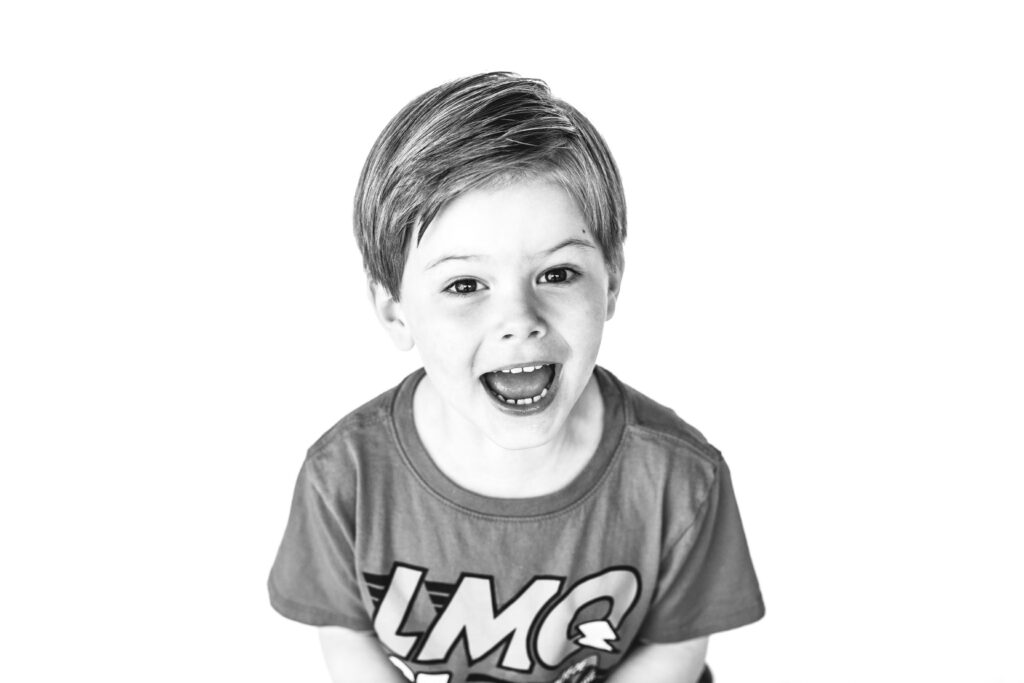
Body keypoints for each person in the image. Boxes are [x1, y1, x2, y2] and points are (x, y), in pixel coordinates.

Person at [268, 72, 764, 683]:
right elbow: (347, 635)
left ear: (611, 282)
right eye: (465, 285)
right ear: (395, 312)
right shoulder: (344, 476)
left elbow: (675, 650)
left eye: (557, 274)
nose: (519, 320)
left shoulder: (680, 478)